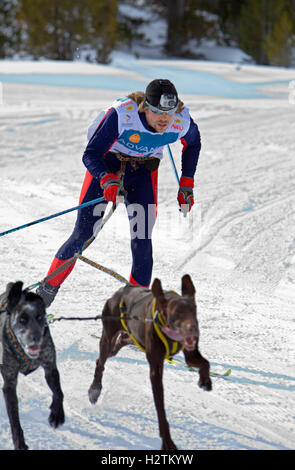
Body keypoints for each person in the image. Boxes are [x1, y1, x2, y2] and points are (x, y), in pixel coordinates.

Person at [36, 79, 201, 307]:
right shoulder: (123, 115)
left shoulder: (181, 121)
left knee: (142, 237)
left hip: (142, 173)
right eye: (157, 112)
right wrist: (106, 179)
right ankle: (44, 294)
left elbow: (193, 143)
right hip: (107, 166)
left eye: (169, 112)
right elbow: (90, 154)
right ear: (146, 107)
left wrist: (186, 183)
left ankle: (134, 308)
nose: (164, 119)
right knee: (83, 233)